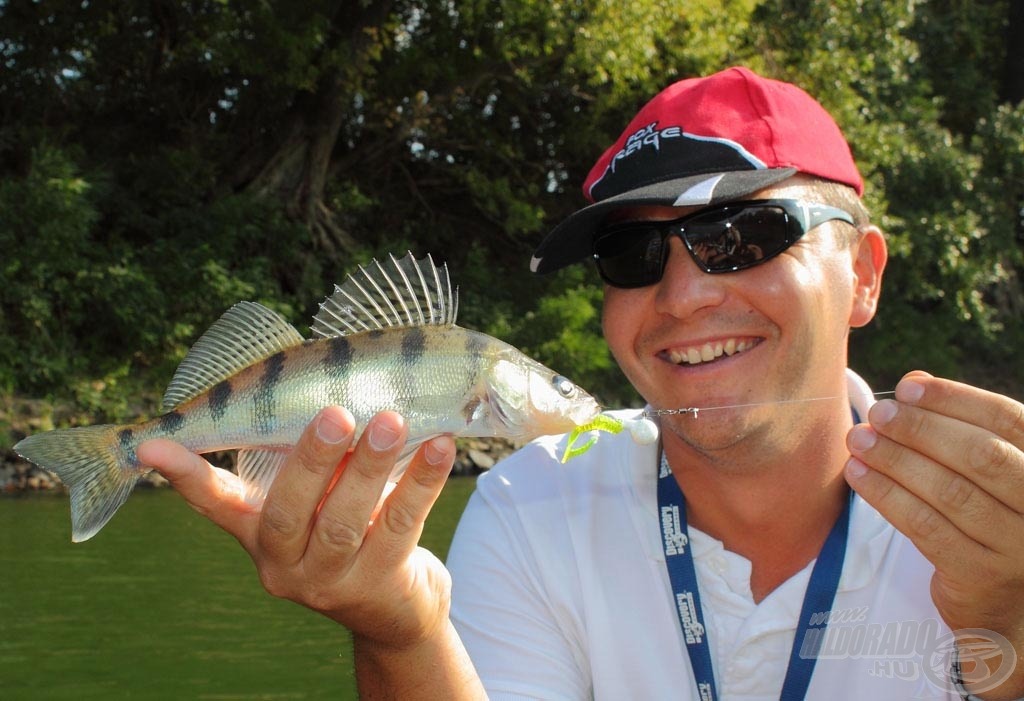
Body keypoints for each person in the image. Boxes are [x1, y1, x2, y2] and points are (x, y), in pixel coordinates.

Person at [138, 66, 1024, 700]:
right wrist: (397, 630)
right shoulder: (533, 504)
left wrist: (1011, 626)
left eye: (743, 232)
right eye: (630, 254)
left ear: (863, 274)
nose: (682, 294)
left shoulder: (995, 517)